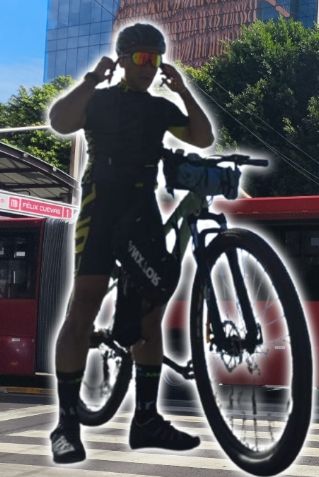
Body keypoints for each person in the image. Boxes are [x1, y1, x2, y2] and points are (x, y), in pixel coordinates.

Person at [48, 23, 214, 464]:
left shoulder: (159, 108)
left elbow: (203, 137)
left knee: (151, 311)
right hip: (102, 204)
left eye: (155, 59)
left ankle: (145, 420)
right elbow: (61, 121)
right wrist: (90, 80)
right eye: (141, 58)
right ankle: (66, 425)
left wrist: (182, 89)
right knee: (84, 303)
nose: (149, 67)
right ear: (124, 59)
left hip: (142, 209)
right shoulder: (99, 99)